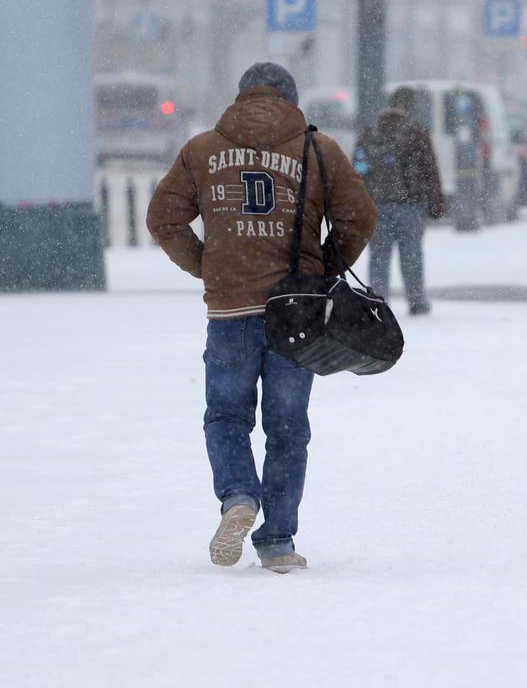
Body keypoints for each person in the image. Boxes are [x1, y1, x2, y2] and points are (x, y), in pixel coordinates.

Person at [146, 62, 377, 573]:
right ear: (291, 100)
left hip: (230, 309)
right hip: (294, 311)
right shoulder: (318, 150)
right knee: (287, 426)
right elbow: (359, 217)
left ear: (242, 97)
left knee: (227, 416)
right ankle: (277, 542)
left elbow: (163, 217)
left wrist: (207, 264)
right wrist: (322, 268)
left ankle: (238, 497)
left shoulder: (203, 149)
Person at [353, 86, 445, 315]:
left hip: (376, 206)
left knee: (379, 256)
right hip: (409, 205)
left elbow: (355, 170)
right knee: (411, 255)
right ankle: (416, 301)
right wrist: (436, 201)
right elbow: (430, 170)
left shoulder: (369, 132)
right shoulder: (416, 132)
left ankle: (378, 300)